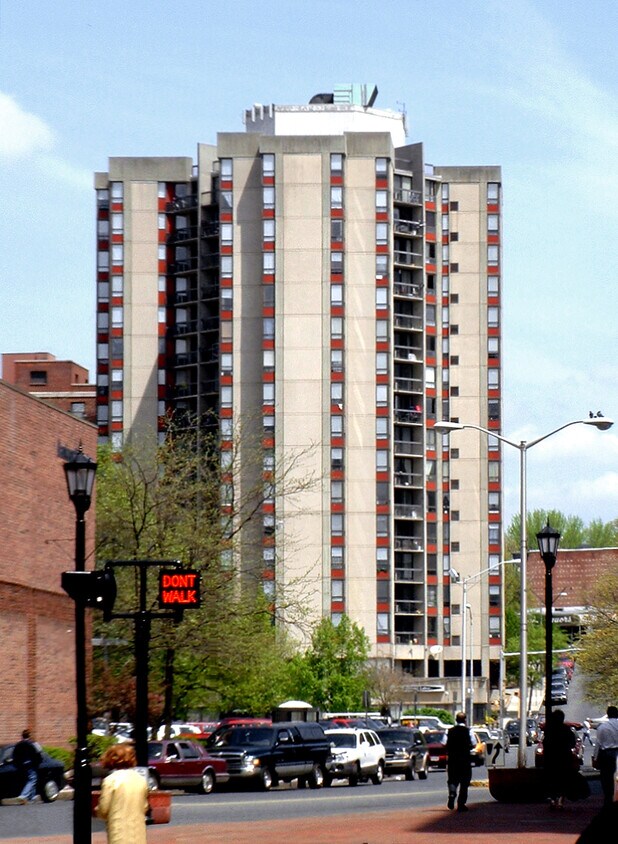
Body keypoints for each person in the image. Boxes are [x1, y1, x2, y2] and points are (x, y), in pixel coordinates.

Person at [96, 744, 149, 844]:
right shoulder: (140, 780)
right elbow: (145, 806)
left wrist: (97, 810)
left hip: (119, 831)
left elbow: (103, 809)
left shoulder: (110, 781)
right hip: (138, 831)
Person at [543, 709, 577, 809]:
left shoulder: (549, 730)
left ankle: (553, 799)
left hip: (551, 759)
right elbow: (572, 743)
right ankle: (560, 800)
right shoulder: (566, 729)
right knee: (563, 780)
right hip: (564, 758)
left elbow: (546, 743)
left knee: (552, 779)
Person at [446, 711, 474, 812]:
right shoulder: (468, 731)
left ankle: (452, 793)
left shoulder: (449, 731)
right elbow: (474, 743)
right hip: (465, 760)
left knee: (452, 779)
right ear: (465, 720)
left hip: (453, 760)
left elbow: (443, 743)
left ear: (456, 720)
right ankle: (461, 804)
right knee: (464, 782)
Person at [593, 705, 618, 807]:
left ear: (607, 715)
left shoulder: (602, 727)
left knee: (606, 779)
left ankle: (608, 800)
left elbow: (598, 744)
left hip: (606, 754)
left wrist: (595, 758)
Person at [12, 729, 42, 804]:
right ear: (30, 735)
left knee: (32, 778)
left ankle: (32, 797)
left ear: (22, 736)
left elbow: (14, 755)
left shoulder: (18, 744)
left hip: (21, 764)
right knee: (32, 779)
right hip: (31, 763)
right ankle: (23, 795)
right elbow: (39, 751)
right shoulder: (32, 743)